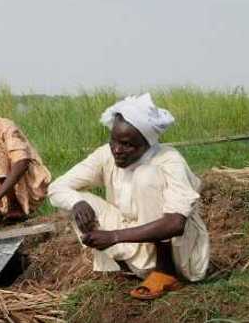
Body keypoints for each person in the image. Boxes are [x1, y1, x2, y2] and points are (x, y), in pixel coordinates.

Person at [48, 93, 210, 299]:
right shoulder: (106, 154)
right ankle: (132, 268)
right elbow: (56, 187)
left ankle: (164, 272)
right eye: (113, 141)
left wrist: (114, 237)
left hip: (180, 254)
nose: (117, 149)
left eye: (127, 144)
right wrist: (76, 202)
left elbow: (175, 223)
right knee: (76, 199)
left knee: (146, 176)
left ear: (147, 143)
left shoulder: (169, 160)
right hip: (134, 239)